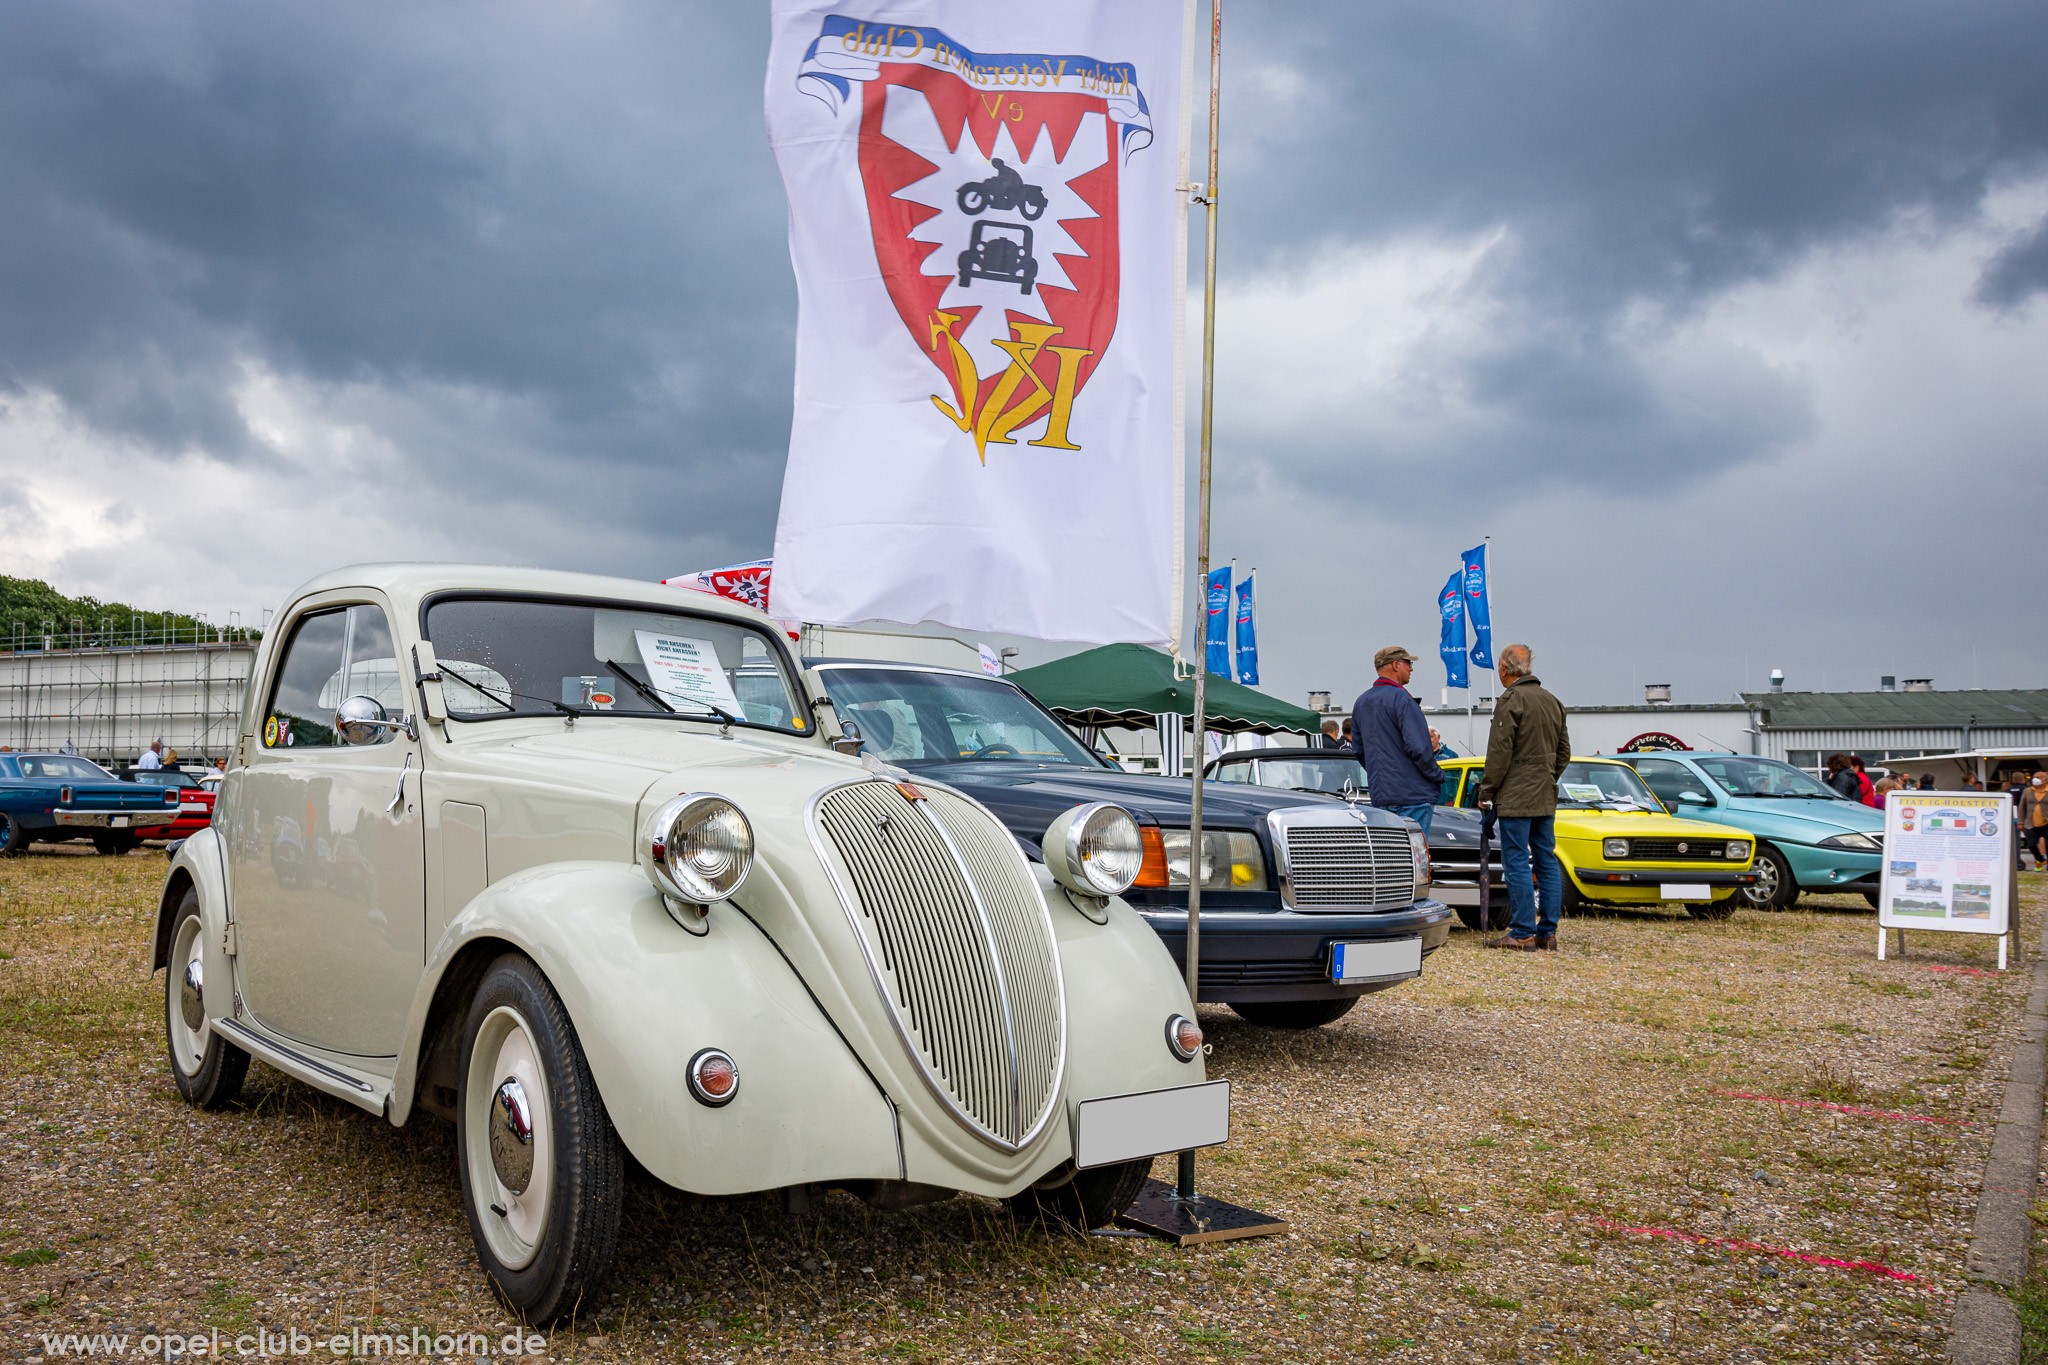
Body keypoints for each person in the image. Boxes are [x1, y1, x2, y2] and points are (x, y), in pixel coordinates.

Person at [1475, 644, 1572, 951]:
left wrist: (1487, 790)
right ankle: (1548, 931)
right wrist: (1546, 777)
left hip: (1516, 797)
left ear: (1505, 668)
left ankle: (1521, 932)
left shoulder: (1511, 700)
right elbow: (1564, 753)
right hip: (1545, 795)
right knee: (1545, 861)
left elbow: (1500, 752)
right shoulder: (1552, 701)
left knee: (1516, 860)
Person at [1350, 646, 1443, 840]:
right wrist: (1436, 775)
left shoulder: (1361, 702)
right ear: (1395, 665)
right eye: (1408, 663)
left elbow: (1358, 750)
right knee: (1415, 858)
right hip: (1413, 795)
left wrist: (1380, 773)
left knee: (1391, 858)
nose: (1411, 668)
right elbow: (1419, 747)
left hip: (1382, 794)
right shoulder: (1402, 699)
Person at [2024, 774, 2048, 871]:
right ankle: (2040, 859)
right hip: (2031, 823)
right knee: (2031, 844)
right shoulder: (2028, 791)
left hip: (2046, 823)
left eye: (2039, 777)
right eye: (2035, 777)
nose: (2035, 779)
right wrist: (2021, 821)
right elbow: (2022, 807)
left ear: (2045, 780)